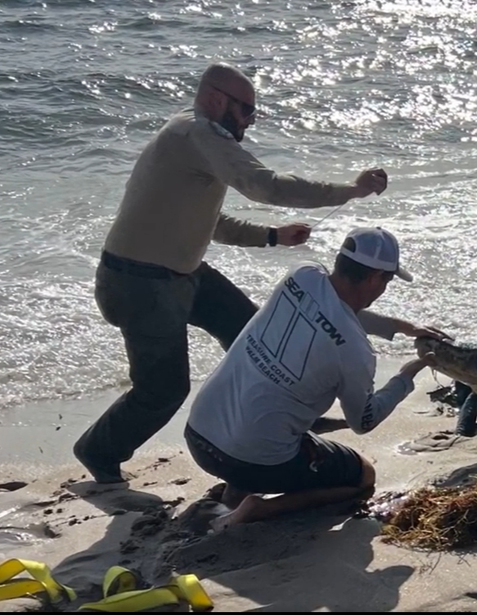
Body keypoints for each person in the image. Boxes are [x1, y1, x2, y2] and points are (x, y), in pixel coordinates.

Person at [74, 62, 393, 484]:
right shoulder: (197, 133)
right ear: (215, 99)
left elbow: (209, 221)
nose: (251, 121)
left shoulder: (197, 138)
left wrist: (271, 236)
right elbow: (266, 186)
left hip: (184, 275)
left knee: (254, 331)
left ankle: (287, 418)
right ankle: (98, 452)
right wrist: (352, 190)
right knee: (163, 390)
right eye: (246, 110)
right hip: (139, 284)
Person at [184, 226, 448, 531]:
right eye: (387, 281)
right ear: (376, 277)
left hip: (199, 436)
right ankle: (260, 507)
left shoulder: (302, 275)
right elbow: (364, 421)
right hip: (255, 464)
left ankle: (235, 493)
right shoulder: (357, 353)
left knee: (265, 415)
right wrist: (406, 376)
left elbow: (333, 309)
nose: (384, 288)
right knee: (363, 477)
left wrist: (401, 327)